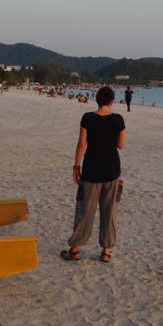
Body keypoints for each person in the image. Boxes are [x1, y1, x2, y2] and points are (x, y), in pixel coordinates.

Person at [60, 86, 126, 264]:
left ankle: (75, 249)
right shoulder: (118, 119)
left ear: (97, 100)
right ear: (112, 101)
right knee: (109, 211)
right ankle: (106, 251)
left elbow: (82, 144)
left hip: (91, 170)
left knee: (85, 211)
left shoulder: (87, 118)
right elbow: (121, 145)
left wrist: (76, 166)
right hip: (112, 170)